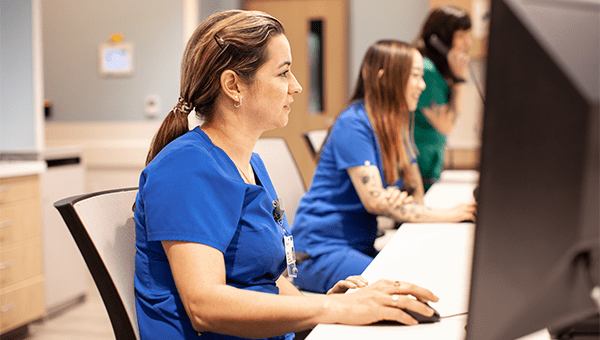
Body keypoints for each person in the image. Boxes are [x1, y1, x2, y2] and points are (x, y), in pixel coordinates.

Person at [134, 10, 439, 340]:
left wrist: (321, 306)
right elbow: (205, 305)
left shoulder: (251, 163)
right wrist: (332, 310)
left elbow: (266, 278)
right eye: (283, 73)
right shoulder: (187, 167)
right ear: (233, 85)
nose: (296, 86)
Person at [291, 40, 477, 294]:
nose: (422, 86)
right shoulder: (354, 123)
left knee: (432, 272)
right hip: (319, 252)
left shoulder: (397, 125)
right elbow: (376, 202)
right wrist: (449, 214)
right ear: (384, 76)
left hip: (358, 246)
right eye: (415, 76)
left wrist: (396, 198)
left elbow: (415, 195)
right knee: (410, 289)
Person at [412, 5, 473, 191]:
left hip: (427, 169)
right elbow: (446, 124)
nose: (468, 43)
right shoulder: (426, 71)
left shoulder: (436, 71)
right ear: (439, 38)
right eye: (461, 35)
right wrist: (460, 80)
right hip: (418, 172)